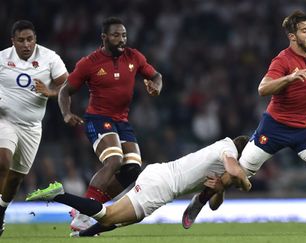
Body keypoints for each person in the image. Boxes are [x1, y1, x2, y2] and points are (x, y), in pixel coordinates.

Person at [183, 10, 306, 235]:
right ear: (292, 36)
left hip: (304, 129)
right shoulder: (282, 60)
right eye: (304, 30)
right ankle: (201, 199)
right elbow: (262, 88)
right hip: (274, 127)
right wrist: (289, 78)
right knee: (236, 177)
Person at [26, 136, 252, 237]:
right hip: (162, 185)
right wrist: (246, 182)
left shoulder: (223, 157)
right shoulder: (230, 150)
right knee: (109, 215)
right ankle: (59, 195)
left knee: (123, 219)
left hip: (159, 175)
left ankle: (84, 235)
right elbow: (234, 170)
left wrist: (221, 189)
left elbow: (214, 204)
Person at [57, 17, 163, 231]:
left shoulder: (134, 56)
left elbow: (156, 75)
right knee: (114, 160)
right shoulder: (90, 63)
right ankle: (84, 215)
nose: (121, 39)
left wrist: (156, 86)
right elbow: (64, 90)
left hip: (122, 121)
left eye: (124, 34)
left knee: (133, 170)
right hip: (98, 119)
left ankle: (86, 207)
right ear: (104, 37)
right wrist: (67, 113)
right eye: (116, 35)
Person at [0, 20, 68, 236]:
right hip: (5, 120)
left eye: (29, 39)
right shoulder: (2, 58)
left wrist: (50, 92)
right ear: (13, 42)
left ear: (35, 39)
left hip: (31, 127)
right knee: (2, 161)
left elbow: (68, 85)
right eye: (21, 40)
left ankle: (1, 210)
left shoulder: (50, 58)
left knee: (16, 178)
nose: (26, 44)